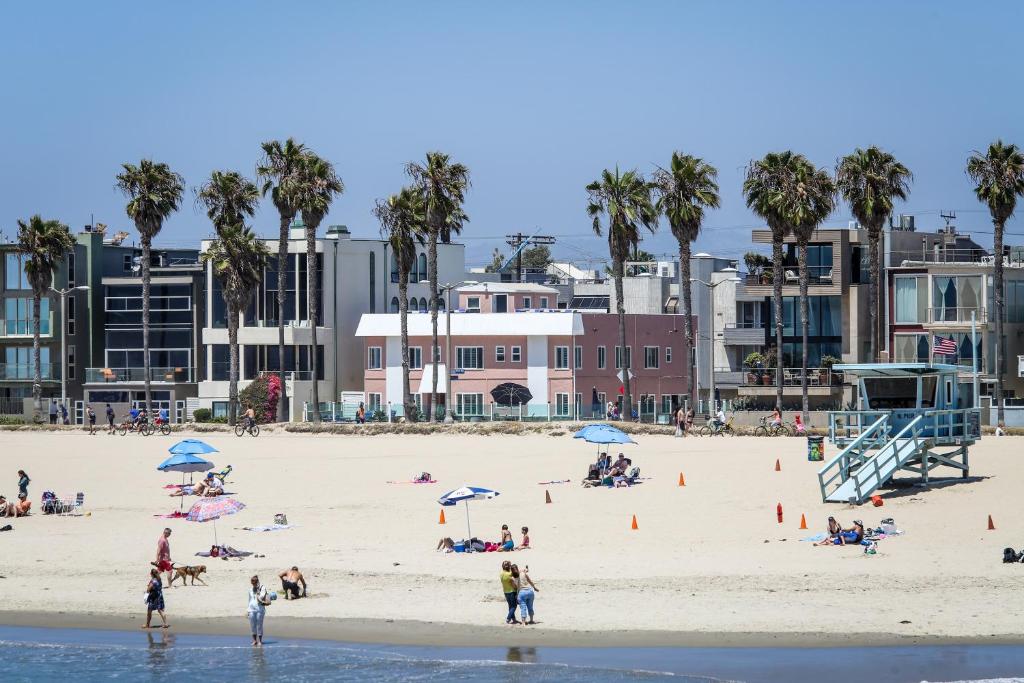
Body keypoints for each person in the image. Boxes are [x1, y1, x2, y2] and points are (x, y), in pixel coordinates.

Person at [248, 575, 270, 647]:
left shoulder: (262, 588)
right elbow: (249, 600)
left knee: (259, 625)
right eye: (252, 583)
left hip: (260, 610)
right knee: (252, 625)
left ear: (257, 582)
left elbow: (261, 597)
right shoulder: (250, 589)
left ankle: (260, 641)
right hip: (251, 609)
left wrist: (258, 592)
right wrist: (248, 610)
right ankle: (254, 640)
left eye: (254, 583)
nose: (253, 584)